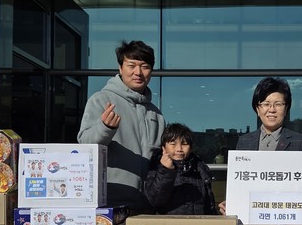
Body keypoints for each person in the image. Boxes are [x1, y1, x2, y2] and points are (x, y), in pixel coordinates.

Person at [78, 40, 165, 210]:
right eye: (131, 65)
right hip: (110, 204)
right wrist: (105, 128)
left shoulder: (156, 114)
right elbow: (85, 145)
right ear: (120, 68)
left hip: (146, 206)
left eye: (145, 67)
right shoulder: (101, 100)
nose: (138, 72)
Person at [144, 123, 219, 215]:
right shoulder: (155, 167)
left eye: (184, 144)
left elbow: (209, 205)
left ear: (191, 148)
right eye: (173, 144)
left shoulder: (200, 168)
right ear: (164, 148)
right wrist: (166, 170)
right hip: (167, 223)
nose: (179, 149)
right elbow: (155, 200)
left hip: (198, 223)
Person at [235, 77, 302, 151]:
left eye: (278, 104)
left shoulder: (300, 142)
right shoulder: (244, 142)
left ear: (286, 109)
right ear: (257, 109)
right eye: (266, 104)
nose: (272, 110)